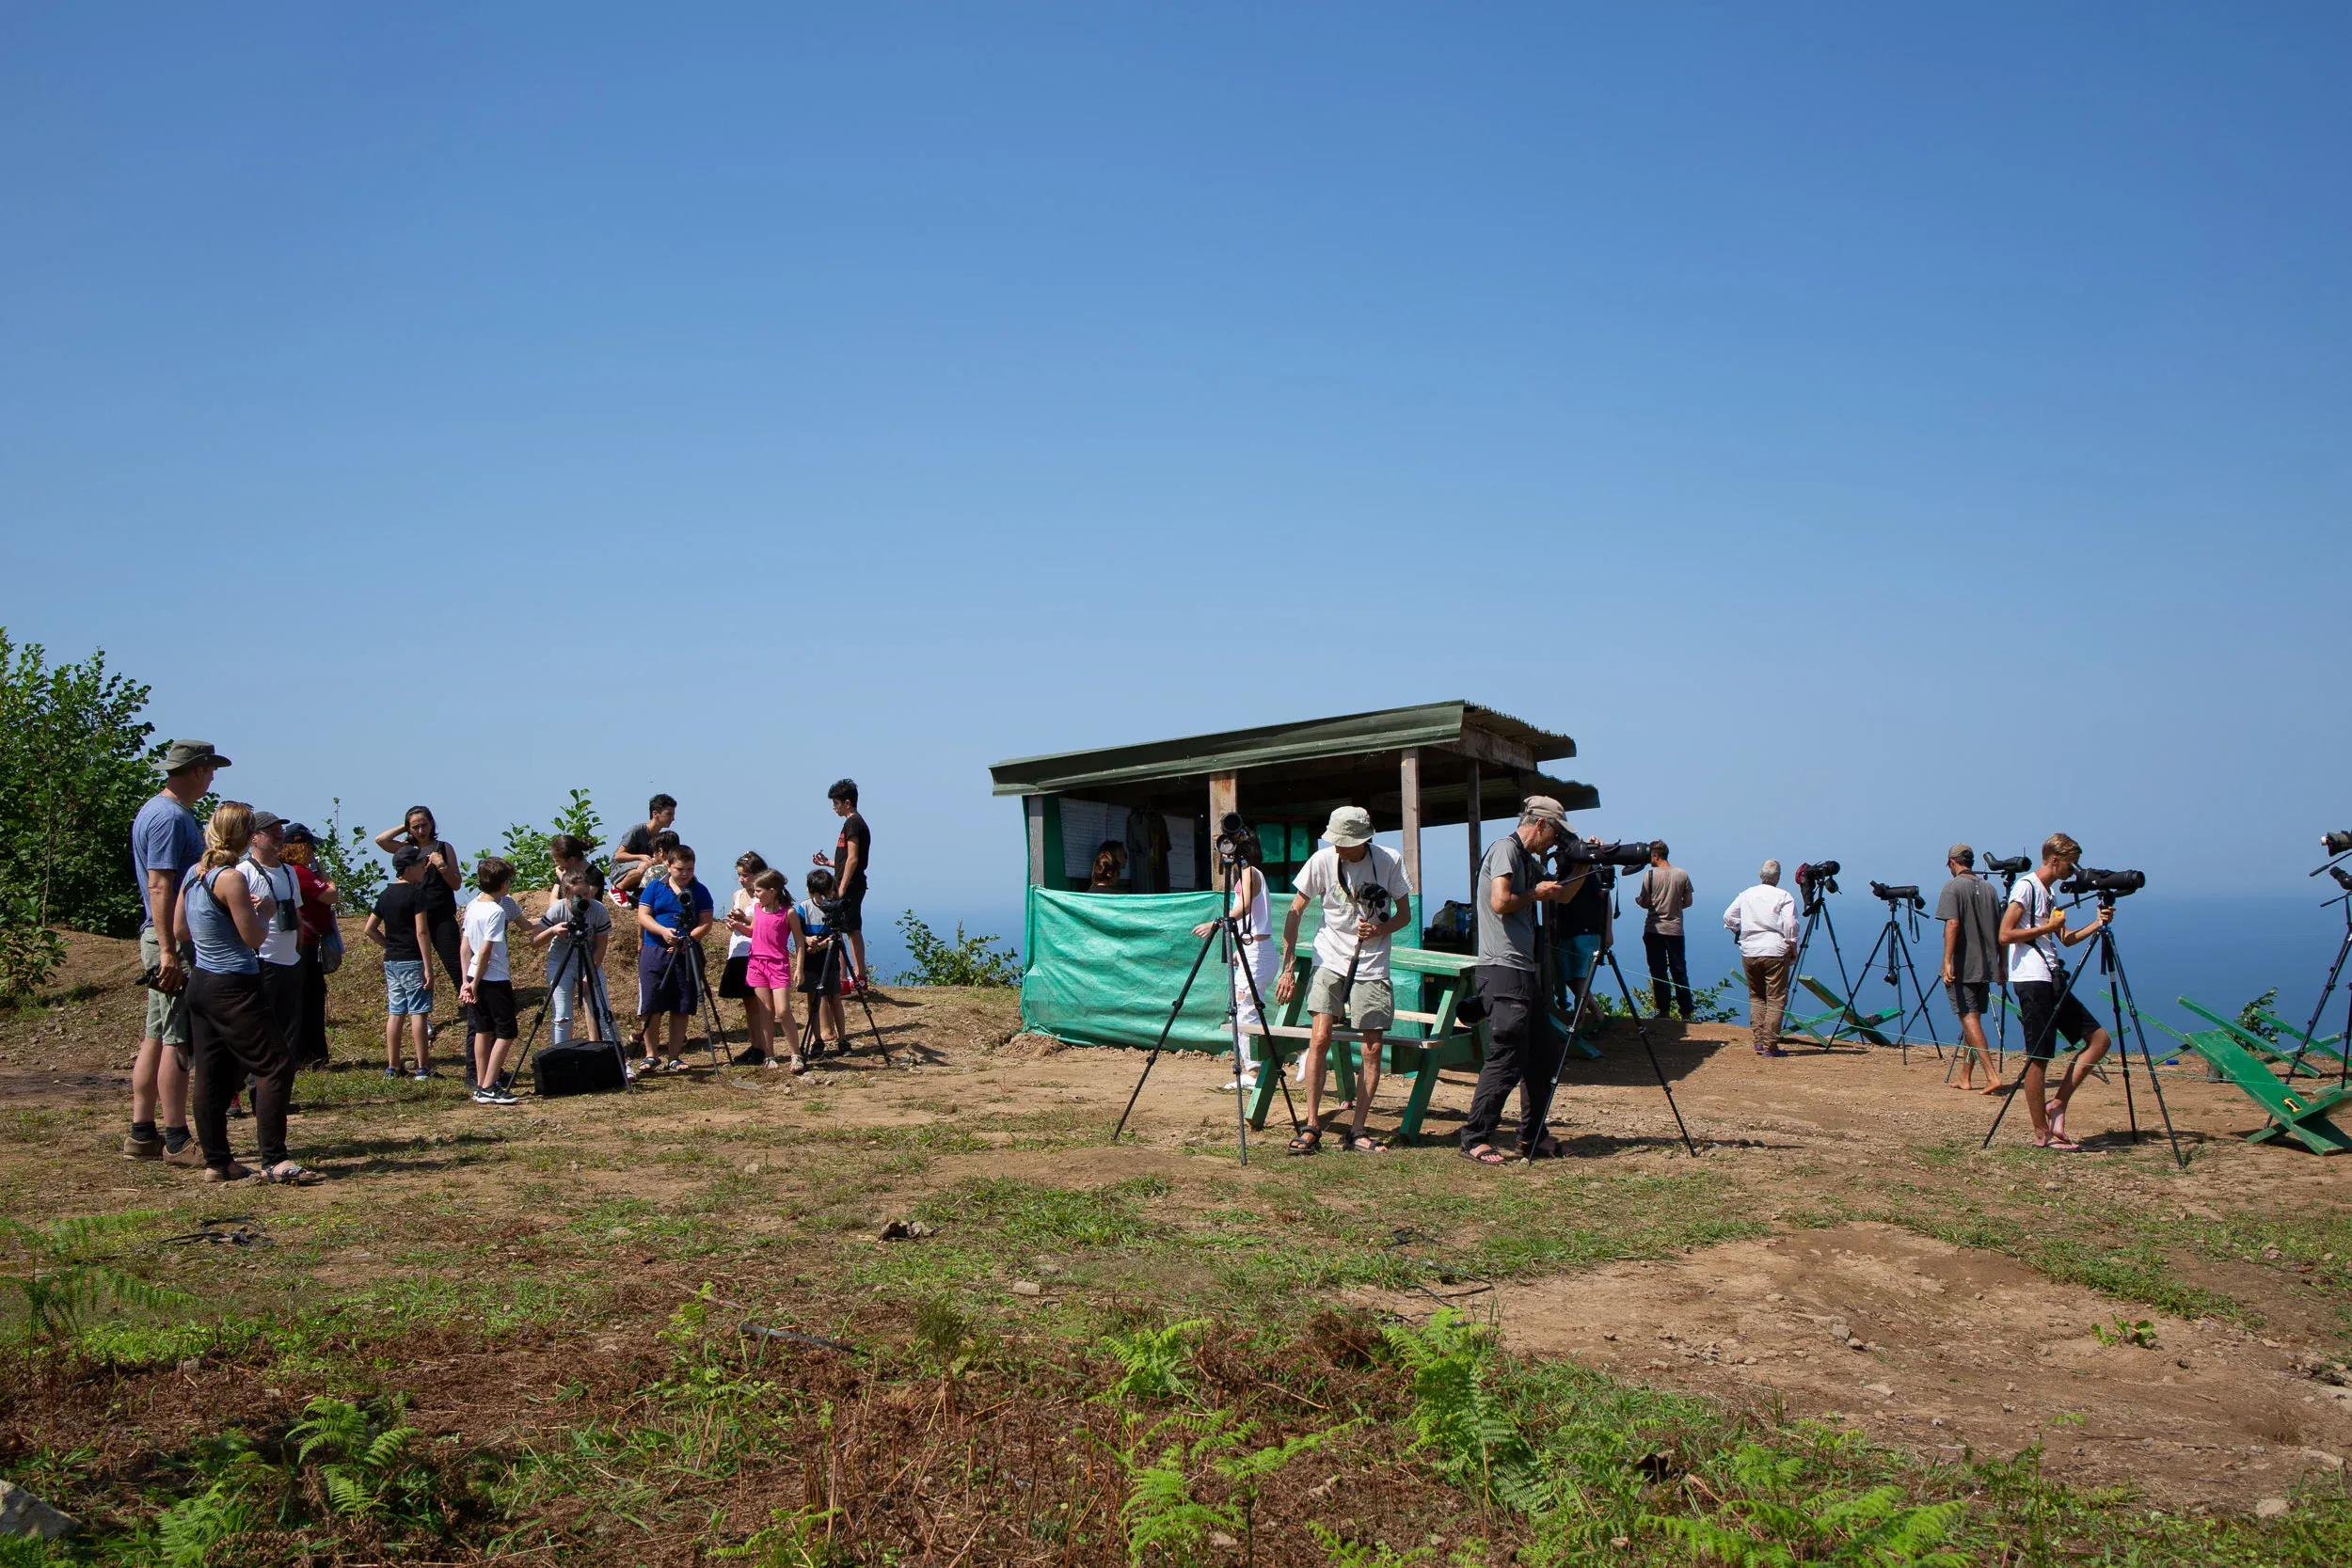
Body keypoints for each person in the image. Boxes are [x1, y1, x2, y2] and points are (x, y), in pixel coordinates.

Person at [179, 801, 320, 1184]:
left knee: (211, 1074)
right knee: (276, 1064)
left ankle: (217, 1162)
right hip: (234, 984)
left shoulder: (194, 874)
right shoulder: (231, 878)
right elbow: (254, 937)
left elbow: (180, 930)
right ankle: (275, 1158)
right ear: (244, 837)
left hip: (201, 983)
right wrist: (266, 910)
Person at [1272, 806, 1415, 1155]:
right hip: (1329, 957)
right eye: (1334, 840)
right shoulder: (1322, 860)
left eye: (1345, 842)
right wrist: (1288, 967)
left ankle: (1358, 1130)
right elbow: (1295, 911)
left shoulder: (1389, 860)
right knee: (1320, 1037)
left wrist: (1379, 929)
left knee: (1372, 1047)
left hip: (1372, 963)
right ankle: (1311, 1125)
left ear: (1364, 840)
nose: (1338, 847)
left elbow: (1405, 915)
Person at [1459, 798, 1582, 1166]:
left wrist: (1585, 863)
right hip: (1501, 968)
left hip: (1522, 970)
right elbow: (1500, 902)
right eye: (1556, 833)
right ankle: (1475, 1137)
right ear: (1541, 824)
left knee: (1543, 1056)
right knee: (1508, 1055)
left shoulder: (1530, 861)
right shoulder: (1505, 849)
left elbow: (1563, 896)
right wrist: (1533, 894)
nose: (1555, 841)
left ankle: (1534, 1135)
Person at [126, 738, 227, 1165]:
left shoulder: (160, 811)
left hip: (161, 935)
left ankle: (141, 1133)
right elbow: (159, 884)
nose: (212, 779)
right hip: (170, 939)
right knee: (176, 1038)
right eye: (211, 770)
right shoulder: (169, 817)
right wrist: (169, 951)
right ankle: (177, 1139)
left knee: (157, 1033)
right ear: (198, 770)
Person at [1999, 832, 2113, 1151]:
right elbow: (2005, 934)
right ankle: (2041, 1134)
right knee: (2039, 1058)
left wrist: (2097, 924)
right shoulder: (2026, 886)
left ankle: (2057, 1104)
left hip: (2052, 977)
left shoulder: (2048, 893)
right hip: (2032, 980)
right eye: (2070, 864)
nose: (2073, 871)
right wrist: (2046, 928)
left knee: (2099, 1040)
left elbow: (2065, 939)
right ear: (2054, 860)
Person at [373, 807, 465, 1059]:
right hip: (413, 917)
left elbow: (457, 884)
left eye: (424, 824)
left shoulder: (443, 848)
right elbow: (380, 840)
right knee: (416, 972)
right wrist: (405, 828)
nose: (420, 830)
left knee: (455, 963)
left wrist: (441, 866)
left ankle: (469, 1003)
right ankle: (424, 1020)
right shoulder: (406, 850)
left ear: (432, 823)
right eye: (415, 826)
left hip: (441, 916)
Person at [1191, 821, 1275, 1092]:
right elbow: (1253, 916)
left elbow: (1245, 906)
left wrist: (1217, 923)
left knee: (1247, 1011)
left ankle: (1254, 1070)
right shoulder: (1246, 875)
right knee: (1245, 1009)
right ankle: (1263, 1064)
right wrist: (1241, 947)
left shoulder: (1250, 872)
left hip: (1259, 952)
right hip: (1253, 949)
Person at [636, 842, 715, 1074]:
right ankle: (651, 1055)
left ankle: (675, 1056)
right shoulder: (654, 887)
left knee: (682, 1003)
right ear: (669, 866)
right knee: (651, 1003)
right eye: (681, 869)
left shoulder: (700, 891)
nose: (685, 874)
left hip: (686, 952)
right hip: (655, 950)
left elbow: (706, 922)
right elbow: (643, 915)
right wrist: (662, 931)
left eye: (690, 869)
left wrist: (687, 940)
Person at [239, 812, 310, 1072]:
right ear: (254, 837)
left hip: (290, 961)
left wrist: (298, 952)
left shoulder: (289, 872)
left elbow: (297, 915)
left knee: (288, 1029)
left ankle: (281, 1083)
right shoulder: (242, 873)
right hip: (262, 961)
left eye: (280, 830)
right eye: (271, 831)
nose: (279, 835)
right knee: (258, 1027)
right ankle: (251, 1081)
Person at [1936, 844, 2007, 1095]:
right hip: (1986, 964)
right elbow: (2001, 930)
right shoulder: (1989, 888)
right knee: (1973, 1017)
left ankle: (1991, 1075)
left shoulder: (1952, 887)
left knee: (1968, 1017)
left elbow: (1952, 924)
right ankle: (1965, 1076)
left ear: (1952, 862)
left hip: (1964, 964)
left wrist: (1947, 961)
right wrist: (2002, 964)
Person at [457, 858, 526, 1105]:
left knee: (483, 1030)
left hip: (474, 975)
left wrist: (467, 980)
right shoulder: (497, 912)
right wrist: (474, 983)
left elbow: (465, 947)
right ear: (504, 884)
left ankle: (481, 1084)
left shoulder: (473, 905)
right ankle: (489, 1085)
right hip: (494, 978)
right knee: (506, 1032)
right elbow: (486, 951)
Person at [364, 846, 437, 1079]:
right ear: (407, 869)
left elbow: (370, 929)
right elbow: (422, 932)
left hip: (392, 961)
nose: (424, 867)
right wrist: (428, 967)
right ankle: (423, 1067)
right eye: (420, 864)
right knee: (418, 1012)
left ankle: (392, 1066)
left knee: (396, 1012)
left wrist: (389, 946)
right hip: (412, 959)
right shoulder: (417, 894)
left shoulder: (385, 894)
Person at [530, 867, 612, 1047]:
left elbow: (601, 946)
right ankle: (561, 1056)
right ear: (567, 894)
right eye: (578, 896)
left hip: (589, 961)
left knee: (603, 1013)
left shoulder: (598, 910)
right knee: (562, 1016)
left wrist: (589, 975)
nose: (584, 899)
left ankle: (617, 1057)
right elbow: (534, 941)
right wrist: (553, 930)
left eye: (586, 893)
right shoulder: (557, 910)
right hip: (561, 962)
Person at [1724, 862, 1800, 1056]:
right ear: (1778, 877)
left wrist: (1738, 930)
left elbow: (1728, 916)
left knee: (1756, 996)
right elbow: (1791, 925)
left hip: (1750, 950)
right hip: (1775, 950)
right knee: (1776, 998)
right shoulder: (1784, 896)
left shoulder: (1747, 894)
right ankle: (1770, 1045)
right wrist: (1793, 947)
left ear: (1760, 874)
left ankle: (1758, 1041)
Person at [278, 822, 338, 1067]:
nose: (314, 853)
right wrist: (324, 874)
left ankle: (310, 1054)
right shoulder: (300, 873)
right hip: (305, 944)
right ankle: (307, 1054)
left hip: (304, 942)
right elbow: (331, 894)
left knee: (310, 996)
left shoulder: (291, 872)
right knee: (308, 999)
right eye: (311, 847)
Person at [729, 868, 798, 1071]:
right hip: (757, 964)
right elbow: (754, 932)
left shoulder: (788, 912)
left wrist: (799, 968)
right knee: (765, 1011)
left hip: (778, 965)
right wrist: (738, 925)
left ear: (772, 891)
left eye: (758, 891)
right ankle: (769, 1055)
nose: (756, 894)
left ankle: (796, 1054)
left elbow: (799, 941)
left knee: (783, 1011)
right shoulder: (758, 910)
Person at [813, 780, 871, 990]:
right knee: (840, 929)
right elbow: (847, 859)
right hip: (848, 882)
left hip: (850, 885)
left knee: (850, 929)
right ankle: (844, 978)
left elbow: (853, 859)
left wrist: (842, 887)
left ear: (847, 803)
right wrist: (829, 863)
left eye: (836, 803)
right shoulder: (852, 823)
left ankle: (857, 978)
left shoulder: (853, 823)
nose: (833, 807)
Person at [791, 866, 849, 1062]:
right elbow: (798, 933)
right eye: (820, 894)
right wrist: (808, 941)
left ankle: (842, 1038)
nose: (823, 898)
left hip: (829, 955)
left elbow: (837, 932)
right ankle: (817, 1040)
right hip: (811, 958)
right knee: (813, 999)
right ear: (810, 891)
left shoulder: (834, 906)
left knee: (834, 997)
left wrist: (823, 944)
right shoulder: (804, 908)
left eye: (827, 893)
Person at [1635, 841, 1696, 1021]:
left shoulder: (1650, 875)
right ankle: (1686, 1012)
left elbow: (1645, 902)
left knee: (1658, 971)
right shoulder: (1682, 874)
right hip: (1675, 929)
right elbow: (1688, 901)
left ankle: (1664, 1011)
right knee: (1679, 970)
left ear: (1656, 856)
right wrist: (1674, 908)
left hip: (1654, 929)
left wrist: (1638, 901)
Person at [720, 852, 767, 1064]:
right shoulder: (738, 895)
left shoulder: (763, 897)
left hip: (757, 952)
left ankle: (762, 1047)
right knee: (748, 1001)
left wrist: (743, 920)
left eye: (746, 875)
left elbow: (763, 925)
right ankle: (755, 1044)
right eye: (739, 875)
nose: (742, 879)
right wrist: (732, 923)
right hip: (738, 951)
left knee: (759, 1002)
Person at [611, 795, 677, 903]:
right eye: (669, 814)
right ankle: (618, 889)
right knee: (645, 865)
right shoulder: (637, 830)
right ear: (655, 814)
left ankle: (639, 895)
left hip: (641, 871)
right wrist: (641, 857)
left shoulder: (659, 838)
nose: (672, 819)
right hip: (619, 870)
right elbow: (618, 856)